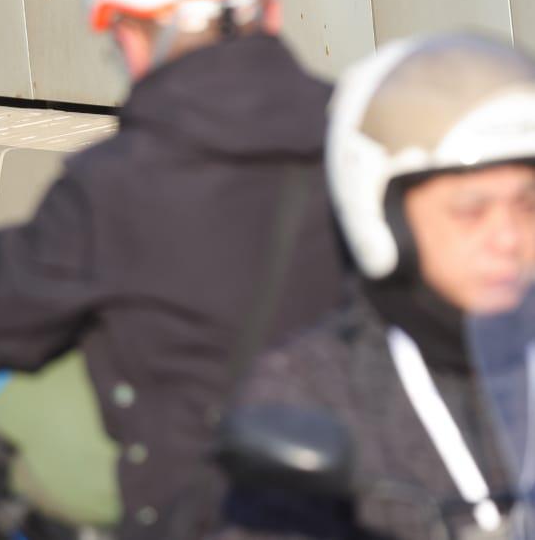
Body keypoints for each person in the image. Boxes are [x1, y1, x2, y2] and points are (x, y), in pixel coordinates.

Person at [0, 0, 348, 538]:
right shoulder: (361, 149)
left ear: (137, 32)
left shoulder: (114, 185)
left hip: (193, 511)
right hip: (360, 503)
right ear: (268, 12)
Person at [215, 32, 535, 539]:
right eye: (471, 211)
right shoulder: (315, 390)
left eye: (527, 205)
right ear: (383, 215)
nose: (509, 238)